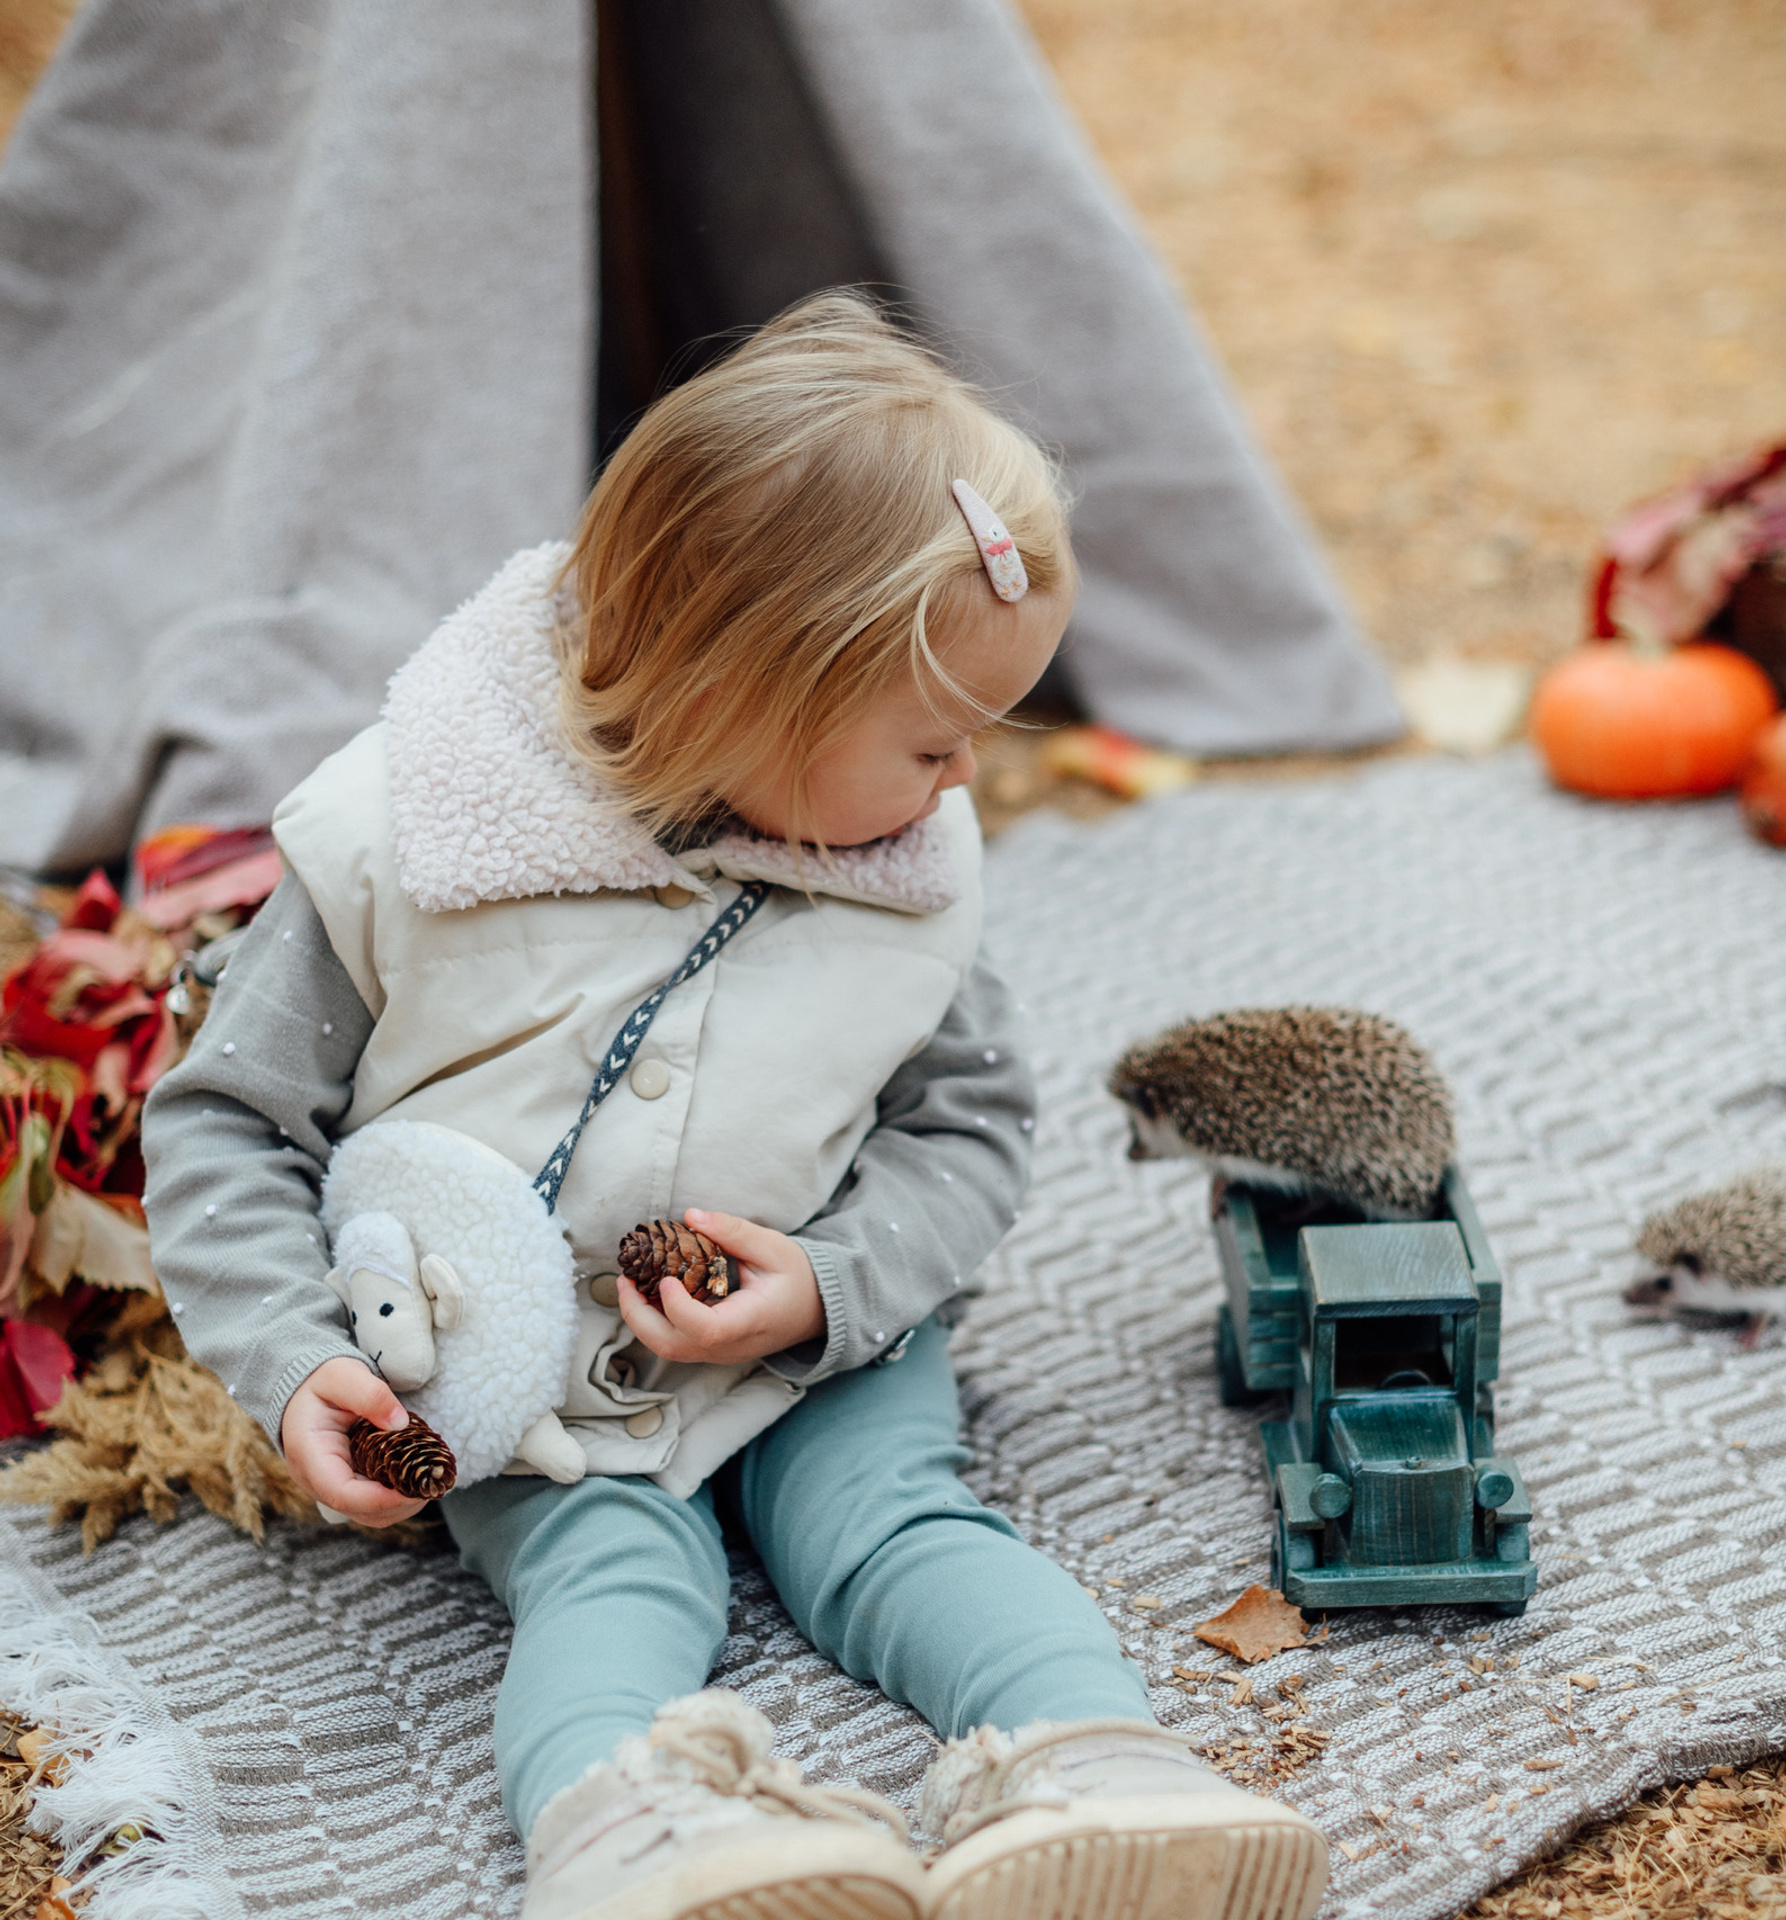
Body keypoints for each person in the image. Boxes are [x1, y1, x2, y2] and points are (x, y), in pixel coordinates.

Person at [141, 294, 1327, 1920]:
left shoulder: (907, 873)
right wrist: (294, 1357)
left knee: (899, 1525)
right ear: (735, 697)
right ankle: (632, 1834)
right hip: (529, 1375)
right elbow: (227, 1125)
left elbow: (967, 1124)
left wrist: (831, 1287)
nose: (969, 781)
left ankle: (1104, 1774)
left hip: (820, 1345)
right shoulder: (398, 840)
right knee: (615, 1573)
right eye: (937, 740)